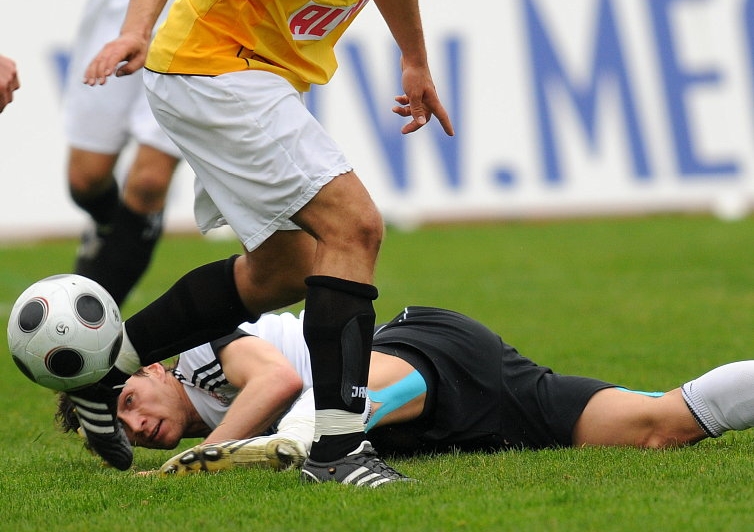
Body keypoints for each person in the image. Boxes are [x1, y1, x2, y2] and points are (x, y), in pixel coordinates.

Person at [71, 0, 480, 486]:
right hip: (212, 65)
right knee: (355, 226)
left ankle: (103, 370)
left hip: (259, 78)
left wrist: (414, 59)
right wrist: (136, 30)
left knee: (284, 271)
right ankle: (338, 450)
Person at [1, 0, 333, 307]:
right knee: (85, 179)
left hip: (210, 4)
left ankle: (90, 325)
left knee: (149, 181)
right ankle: (114, 232)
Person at [57, 306, 754, 479]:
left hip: (418, 355)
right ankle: (324, 437)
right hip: (451, 415)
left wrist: (199, 459)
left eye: (126, 403)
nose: (136, 426)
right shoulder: (204, 411)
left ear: (151, 369)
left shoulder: (202, 350)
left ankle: (318, 438)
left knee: (335, 408)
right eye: (120, 432)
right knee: (661, 426)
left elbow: (279, 377)